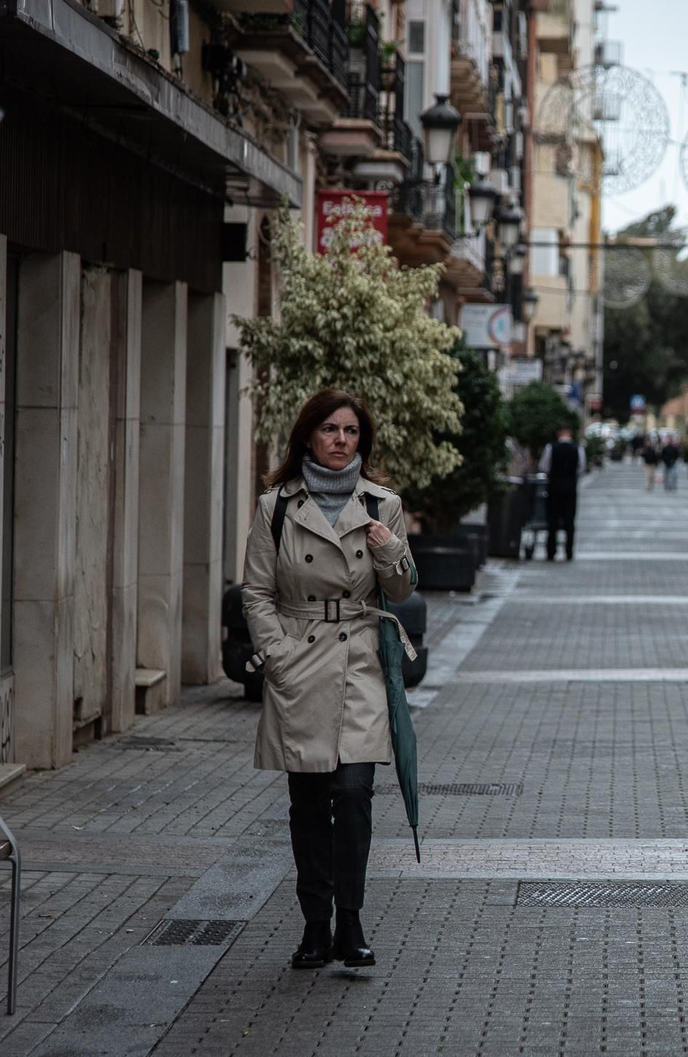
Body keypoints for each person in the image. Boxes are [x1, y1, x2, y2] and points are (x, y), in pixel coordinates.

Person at [241, 388, 418, 970]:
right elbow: (257, 591)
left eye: (351, 431)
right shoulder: (277, 507)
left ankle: (352, 921)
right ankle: (316, 925)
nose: (341, 441)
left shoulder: (382, 504)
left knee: (355, 792)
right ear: (308, 437)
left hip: (360, 660)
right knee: (310, 802)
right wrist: (278, 656)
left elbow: (402, 590)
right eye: (330, 430)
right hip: (300, 663)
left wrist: (389, 550)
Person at [538, 425, 585, 561]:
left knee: (552, 520)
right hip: (570, 488)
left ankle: (551, 551)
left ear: (558, 434)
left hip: (554, 487)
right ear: (570, 434)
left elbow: (544, 466)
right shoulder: (578, 448)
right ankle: (569, 551)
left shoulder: (551, 447)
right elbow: (581, 468)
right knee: (569, 520)